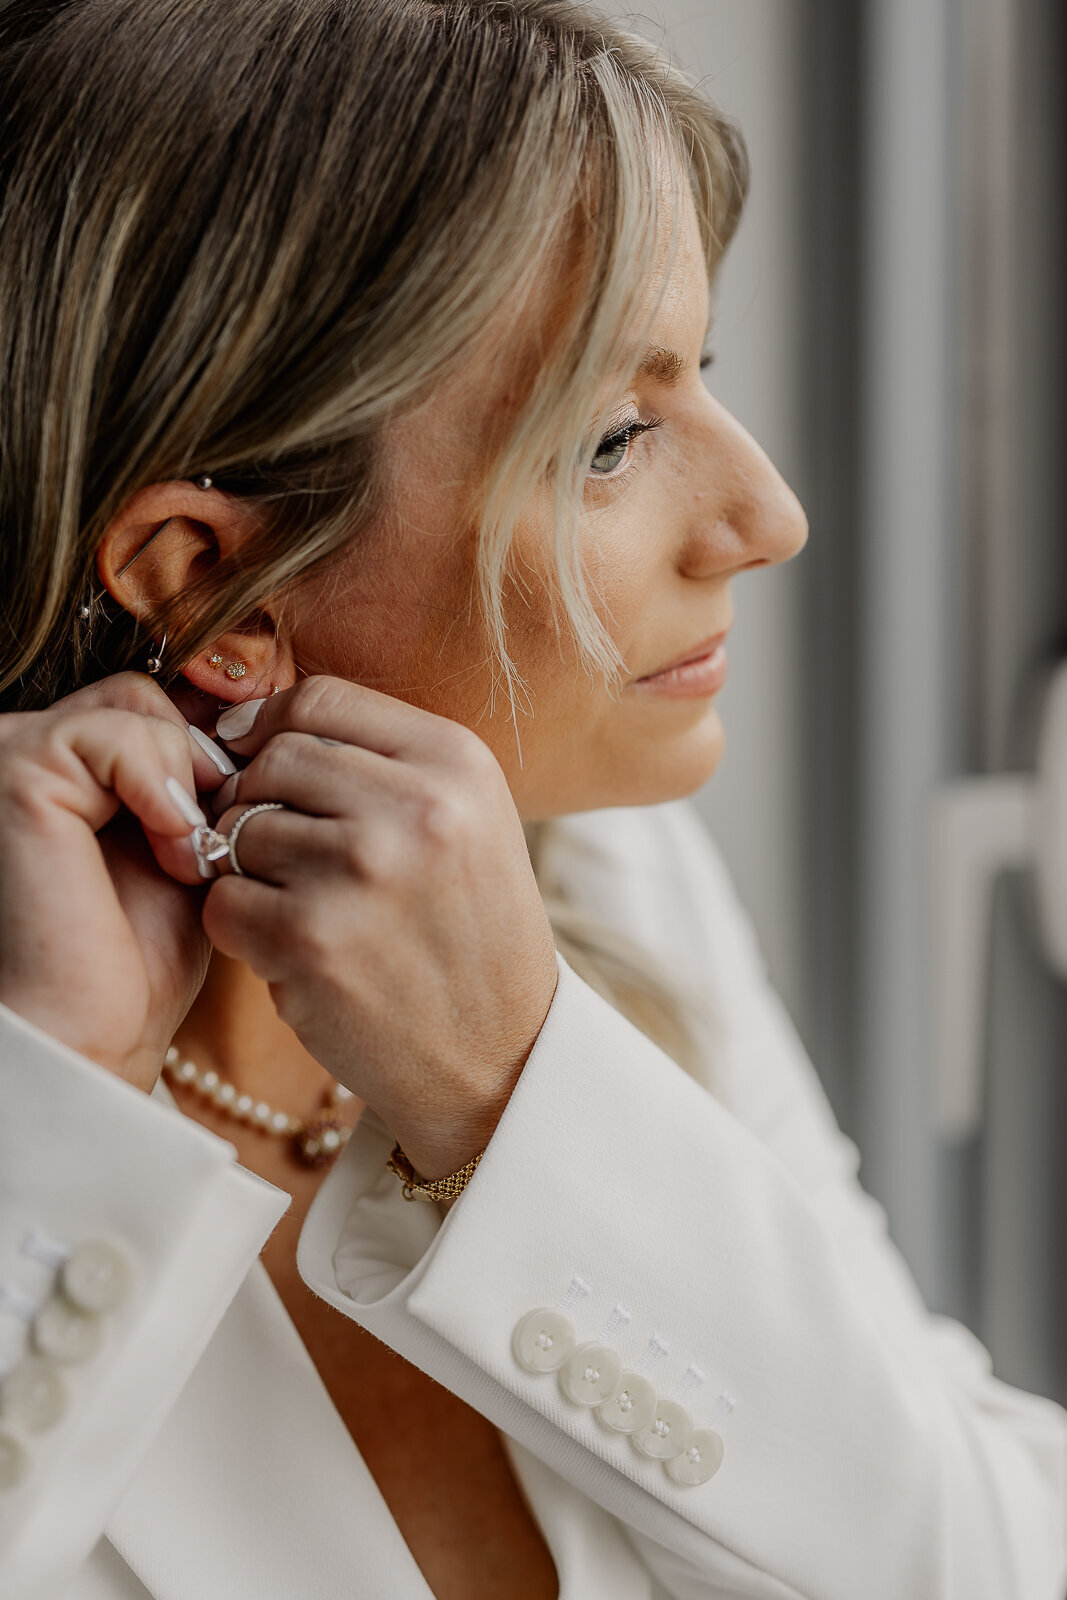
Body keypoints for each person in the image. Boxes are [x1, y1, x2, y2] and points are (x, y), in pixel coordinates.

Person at [0, 0, 1064, 1596]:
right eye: (617, 438)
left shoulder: (617, 892)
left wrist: (515, 1104)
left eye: (701, 369)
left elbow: (992, 1556)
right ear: (210, 584)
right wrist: (51, 1111)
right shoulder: (33, 1093)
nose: (769, 514)